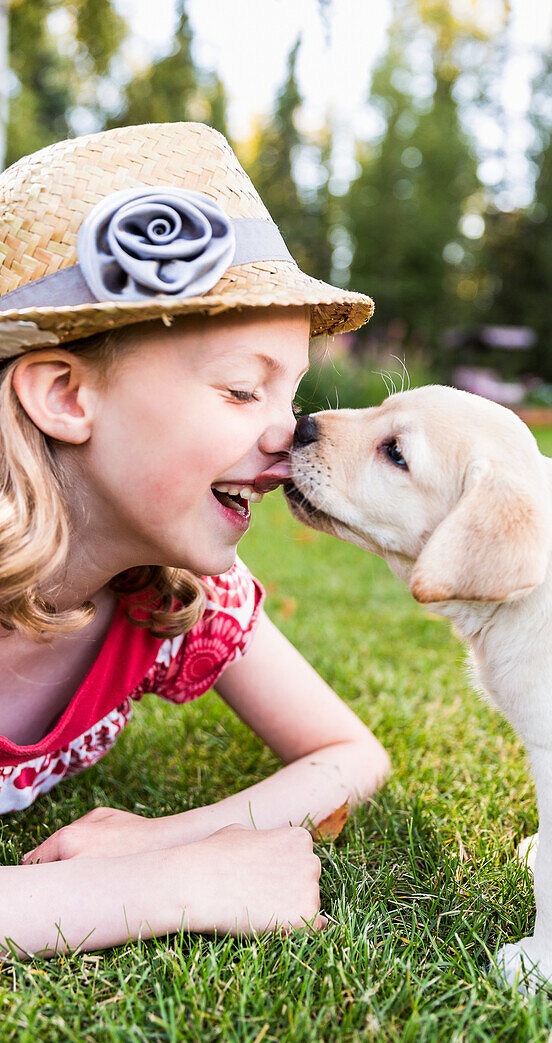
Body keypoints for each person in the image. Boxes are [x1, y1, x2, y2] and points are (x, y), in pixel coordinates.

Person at [0, 121, 390, 958]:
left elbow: (349, 754)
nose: (287, 438)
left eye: (288, 397)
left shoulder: (175, 594)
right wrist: (167, 887)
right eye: (242, 390)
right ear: (65, 395)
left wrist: (172, 834)